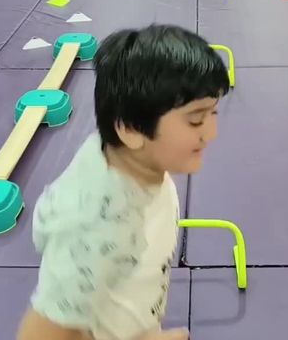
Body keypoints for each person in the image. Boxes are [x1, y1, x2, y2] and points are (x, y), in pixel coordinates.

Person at [17, 25, 230, 340]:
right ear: (129, 129)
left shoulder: (135, 160)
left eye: (213, 114)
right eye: (195, 119)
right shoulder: (97, 227)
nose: (211, 134)